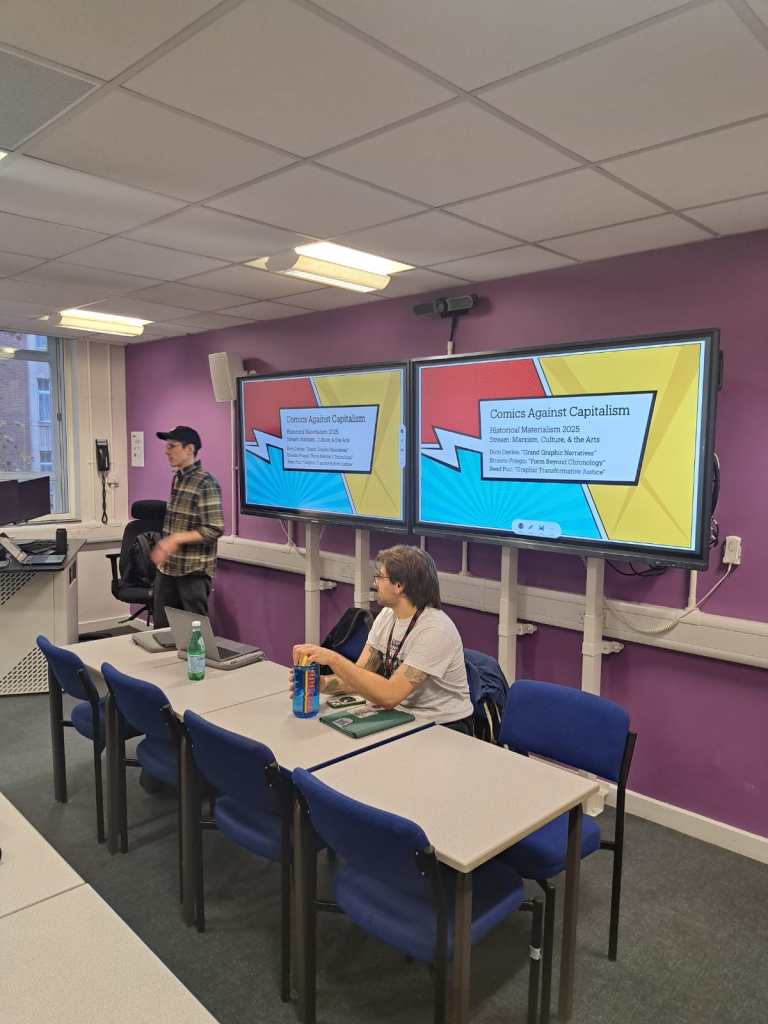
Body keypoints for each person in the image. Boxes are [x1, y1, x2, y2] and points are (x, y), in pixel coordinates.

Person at [292, 544, 474, 732]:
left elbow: (390, 695)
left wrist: (332, 658)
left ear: (399, 585)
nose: (375, 583)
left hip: (444, 727)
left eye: (380, 576)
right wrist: (323, 683)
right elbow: (359, 675)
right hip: (403, 716)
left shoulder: (435, 630)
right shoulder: (387, 616)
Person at [151, 426, 224, 628]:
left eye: (172, 446)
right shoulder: (178, 479)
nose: (167, 451)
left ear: (189, 449)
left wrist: (175, 539)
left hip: (193, 572)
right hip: (168, 569)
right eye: (166, 446)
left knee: (194, 635)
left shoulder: (206, 483)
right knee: (162, 631)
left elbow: (214, 528)